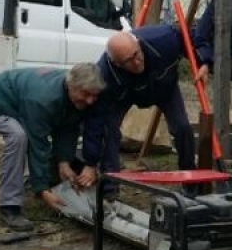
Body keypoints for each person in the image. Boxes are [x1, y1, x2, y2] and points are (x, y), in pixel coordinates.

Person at [77, 20, 213, 191]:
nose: (137, 62)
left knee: (183, 128)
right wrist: (90, 162)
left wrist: (204, 62)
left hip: (165, 87)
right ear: (116, 64)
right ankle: (109, 187)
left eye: (137, 54)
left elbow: (193, 35)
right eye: (129, 60)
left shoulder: (164, 39)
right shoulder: (105, 76)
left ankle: (190, 182)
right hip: (125, 95)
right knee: (109, 129)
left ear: (138, 44)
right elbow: (95, 120)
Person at [0, 64, 105, 231]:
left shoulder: (73, 95)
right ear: (71, 86)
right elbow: (38, 145)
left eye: (94, 96)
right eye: (86, 94)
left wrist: (63, 162)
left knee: (47, 133)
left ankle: (47, 181)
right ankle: (9, 206)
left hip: (23, 101)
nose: (90, 101)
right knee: (18, 137)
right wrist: (42, 190)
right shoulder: (43, 100)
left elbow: (67, 129)